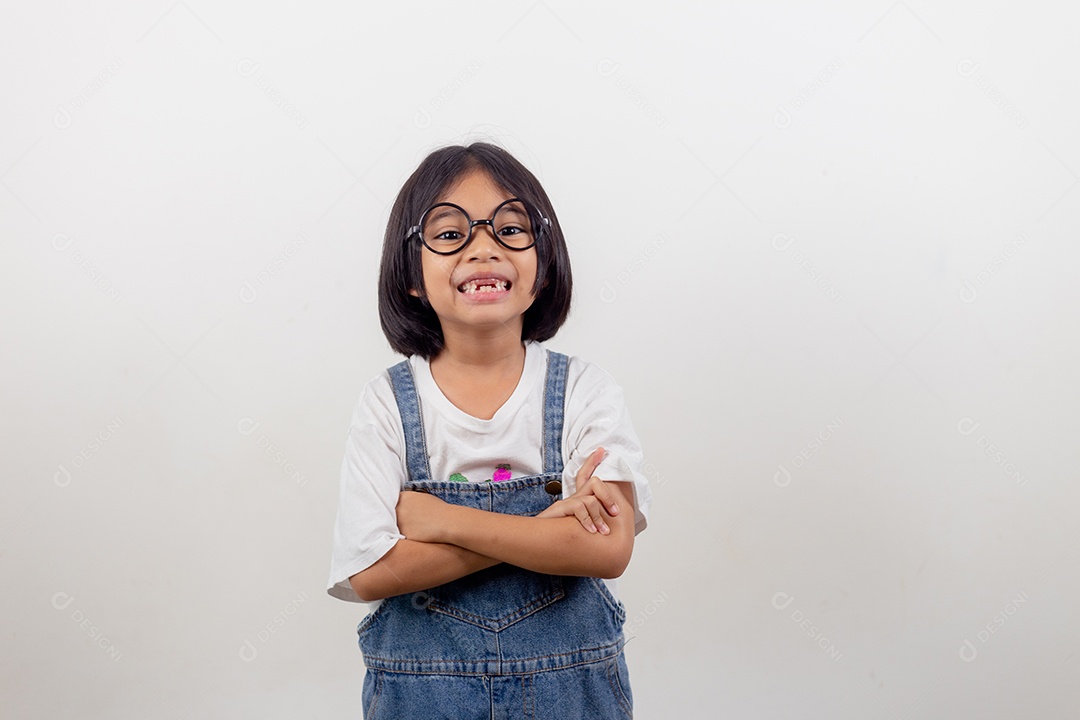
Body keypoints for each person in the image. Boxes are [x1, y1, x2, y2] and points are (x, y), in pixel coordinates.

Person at [326, 141, 652, 718]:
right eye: (451, 235)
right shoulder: (387, 405)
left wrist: (443, 521)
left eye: (510, 229)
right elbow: (371, 572)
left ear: (543, 267)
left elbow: (608, 548)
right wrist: (546, 530)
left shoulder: (586, 394)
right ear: (412, 277)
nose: (484, 248)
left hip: (573, 696)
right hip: (421, 696)